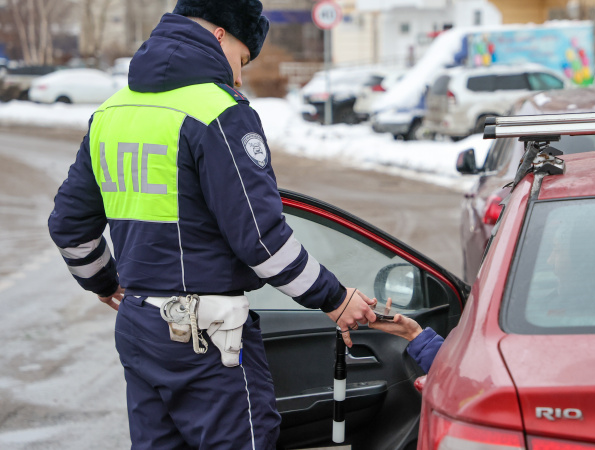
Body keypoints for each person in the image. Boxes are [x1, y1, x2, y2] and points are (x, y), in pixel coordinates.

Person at [47, 0, 376, 448]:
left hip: (139, 329)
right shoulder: (220, 111)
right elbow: (261, 240)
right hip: (207, 339)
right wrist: (334, 298)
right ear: (221, 34)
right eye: (242, 57)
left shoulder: (112, 112)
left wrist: (106, 284)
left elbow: (69, 224)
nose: (240, 75)